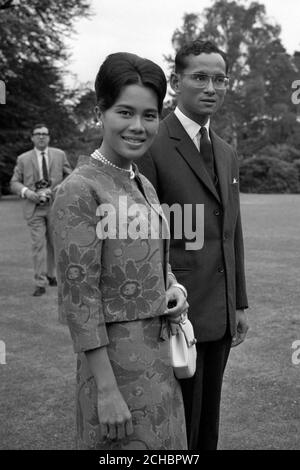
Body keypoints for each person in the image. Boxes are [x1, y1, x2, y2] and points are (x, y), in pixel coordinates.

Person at [51, 52, 188, 450]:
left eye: (149, 115)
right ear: (100, 111)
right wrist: (107, 390)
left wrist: (175, 289)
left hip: (161, 364)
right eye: (125, 112)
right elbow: (80, 298)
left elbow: (155, 260)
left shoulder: (141, 183)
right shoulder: (79, 189)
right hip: (115, 373)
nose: (138, 126)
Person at [138, 40, 249, 450]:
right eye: (200, 77)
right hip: (173, 312)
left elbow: (231, 231)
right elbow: (143, 234)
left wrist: (238, 302)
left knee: (207, 427)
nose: (211, 88)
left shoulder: (226, 151)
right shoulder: (150, 142)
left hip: (220, 314)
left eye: (219, 79)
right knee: (175, 426)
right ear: (175, 81)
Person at [10, 124, 72, 296]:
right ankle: (40, 282)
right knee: (39, 245)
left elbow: (71, 175)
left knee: (54, 244)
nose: (42, 137)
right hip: (34, 208)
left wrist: (60, 188)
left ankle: (52, 275)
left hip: (55, 206)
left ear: (49, 137)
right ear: (32, 137)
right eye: (38, 134)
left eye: (45, 134)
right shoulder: (23, 158)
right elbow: (14, 182)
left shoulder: (60, 155)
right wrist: (28, 192)